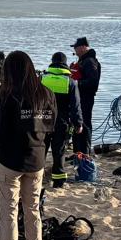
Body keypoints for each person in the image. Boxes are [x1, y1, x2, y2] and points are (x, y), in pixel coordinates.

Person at [0, 51, 56, 240]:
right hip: (36, 159)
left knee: (9, 213)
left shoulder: (5, 96)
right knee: (32, 210)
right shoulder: (46, 94)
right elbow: (51, 125)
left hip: (10, 162)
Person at [41, 52, 82, 188]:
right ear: (65, 64)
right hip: (62, 122)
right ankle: (58, 182)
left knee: (41, 150)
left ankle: (36, 178)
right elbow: (75, 106)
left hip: (43, 121)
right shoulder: (70, 82)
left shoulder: (42, 78)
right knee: (59, 151)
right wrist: (78, 123)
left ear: (52, 62)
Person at [69, 37, 100, 155]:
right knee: (76, 122)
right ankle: (77, 153)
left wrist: (76, 84)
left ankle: (85, 153)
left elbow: (93, 81)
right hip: (78, 97)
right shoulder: (82, 60)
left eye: (76, 48)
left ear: (82, 47)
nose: (75, 50)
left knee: (85, 123)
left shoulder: (90, 61)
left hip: (86, 98)